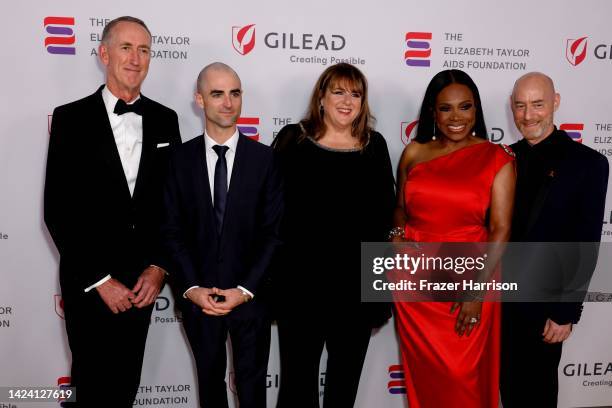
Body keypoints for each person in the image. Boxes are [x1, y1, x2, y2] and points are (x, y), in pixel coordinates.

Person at [44, 16, 181, 407]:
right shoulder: (70, 118)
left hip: (142, 284)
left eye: (144, 50)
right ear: (104, 53)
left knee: (125, 389)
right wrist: (100, 280)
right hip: (90, 283)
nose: (136, 59)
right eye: (126, 47)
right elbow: (58, 209)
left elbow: (172, 204)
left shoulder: (165, 119)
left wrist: (158, 268)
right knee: (90, 388)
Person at [272, 63, 396, 407]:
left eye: (355, 94)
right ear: (321, 97)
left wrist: (378, 293)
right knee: (297, 389)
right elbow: (270, 216)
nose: (347, 101)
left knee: (344, 389)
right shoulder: (292, 140)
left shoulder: (375, 146)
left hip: (354, 292)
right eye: (338, 91)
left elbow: (384, 223)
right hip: (300, 289)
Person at [390, 69, 515, 407]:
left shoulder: (497, 158)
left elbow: (502, 229)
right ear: (433, 112)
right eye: (446, 109)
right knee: (424, 374)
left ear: (476, 111)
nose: (456, 117)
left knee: (463, 376)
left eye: (465, 107)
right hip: (415, 281)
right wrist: (397, 236)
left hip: (471, 276)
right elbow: (400, 208)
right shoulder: (415, 152)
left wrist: (476, 290)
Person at [161, 62, 283, 408]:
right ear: (200, 99)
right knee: (209, 389)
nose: (228, 103)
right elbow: (171, 230)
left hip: (251, 296)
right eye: (217, 94)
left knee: (253, 390)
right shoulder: (177, 160)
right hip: (199, 298)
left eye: (235, 93)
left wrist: (244, 290)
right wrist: (192, 288)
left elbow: (273, 233)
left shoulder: (266, 160)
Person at [500, 72, 608, 407]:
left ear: (555, 102)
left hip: (545, 305)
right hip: (497, 303)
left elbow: (586, 242)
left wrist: (566, 311)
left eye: (537, 104)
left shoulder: (588, 163)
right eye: (520, 106)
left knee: (538, 394)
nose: (528, 115)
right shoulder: (501, 158)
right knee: (506, 389)